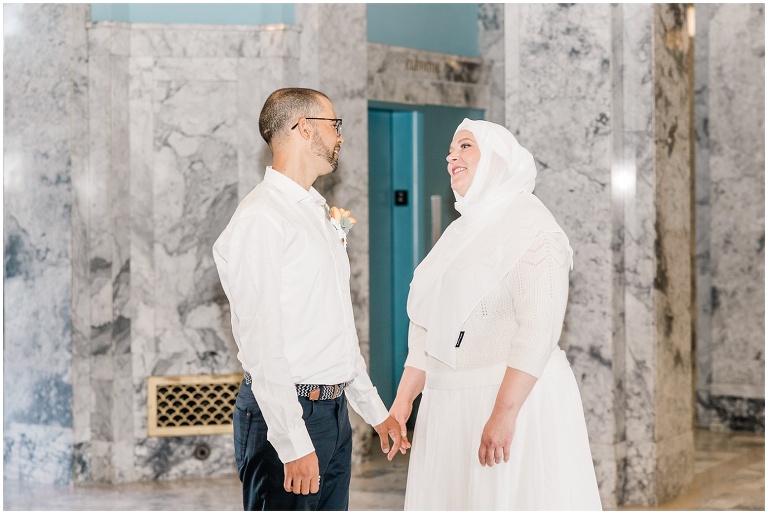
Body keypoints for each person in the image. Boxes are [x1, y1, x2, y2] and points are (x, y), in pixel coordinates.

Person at [390, 119, 602, 510]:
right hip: (447, 405)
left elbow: (538, 329)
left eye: (465, 146)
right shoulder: (457, 234)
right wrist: (403, 403)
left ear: (498, 160)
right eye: (451, 150)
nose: (451, 155)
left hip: (511, 402)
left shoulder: (534, 228)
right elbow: (427, 325)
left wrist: (503, 415)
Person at [213, 87, 409, 511]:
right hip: (286, 414)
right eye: (334, 124)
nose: (341, 136)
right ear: (303, 128)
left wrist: (374, 411)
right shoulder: (262, 218)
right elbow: (261, 342)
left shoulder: (315, 211)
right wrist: (291, 441)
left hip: (332, 413)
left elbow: (335, 328)